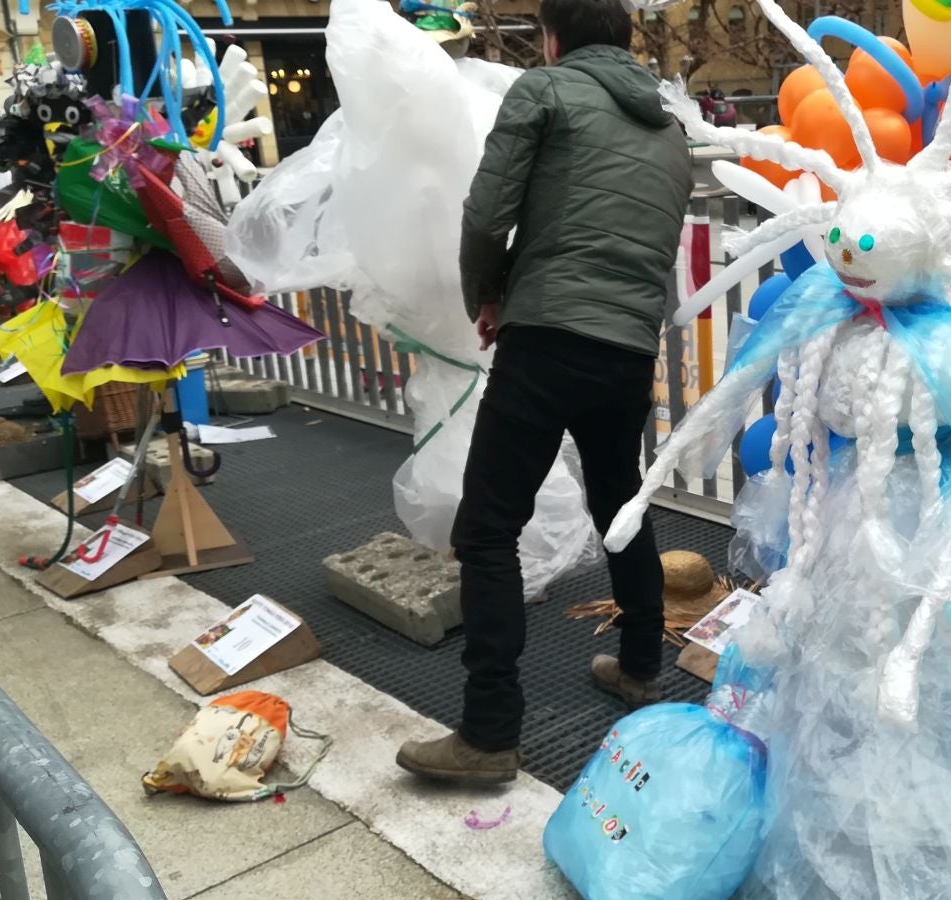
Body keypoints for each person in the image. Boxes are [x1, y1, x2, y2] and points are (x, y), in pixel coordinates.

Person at [396, 0, 694, 785]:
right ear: (625, 41)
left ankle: (489, 734)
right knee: (619, 503)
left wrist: (487, 295)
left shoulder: (544, 90)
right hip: (627, 346)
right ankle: (640, 667)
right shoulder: (671, 131)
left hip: (548, 334)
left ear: (552, 40)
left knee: (488, 529)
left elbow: (485, 215)